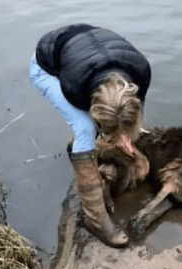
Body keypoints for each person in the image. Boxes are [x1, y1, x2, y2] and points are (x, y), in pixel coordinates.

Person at [29, 23, 152, 248]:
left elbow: (132, 111)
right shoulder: (75, 86)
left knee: (103, 128)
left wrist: (123, 137)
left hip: (86, 52)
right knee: (84, 127)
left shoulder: (141, 70)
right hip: (45, 65)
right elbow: (90, 118)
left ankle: (79, 147)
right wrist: (98, 137)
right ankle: (94, 220)